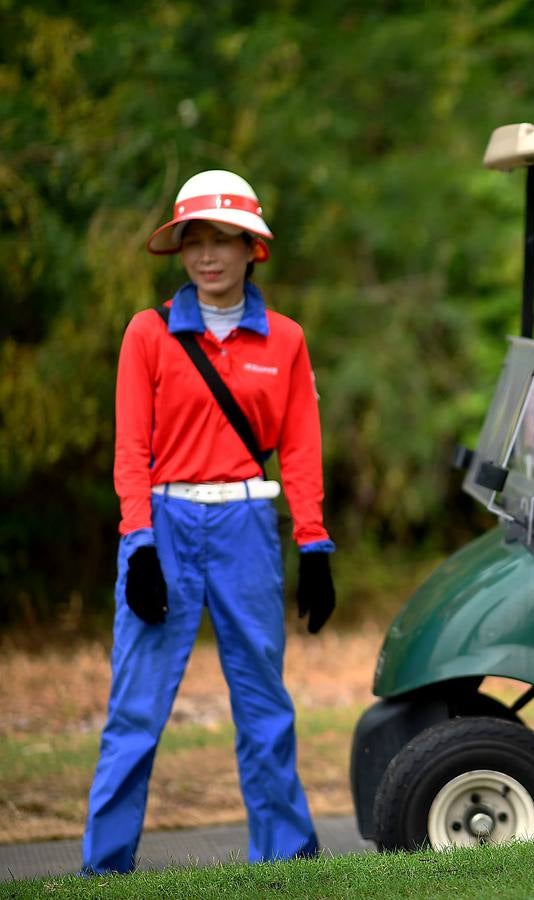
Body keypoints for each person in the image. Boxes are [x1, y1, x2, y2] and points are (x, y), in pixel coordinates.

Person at [81, 169, 336, 875]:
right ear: (180, 250)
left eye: (225, 239)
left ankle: (285, 863)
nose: (208, 255)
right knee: (134, 712)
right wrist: (137, 545)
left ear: (252, 247)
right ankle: (104, 871)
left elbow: (302, 449)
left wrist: (312, 545)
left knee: (264, 707)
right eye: (196, 240)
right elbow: (130, 449)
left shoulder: (284, 340)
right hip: (163, 526)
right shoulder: (149, 333)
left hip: (248, 527)